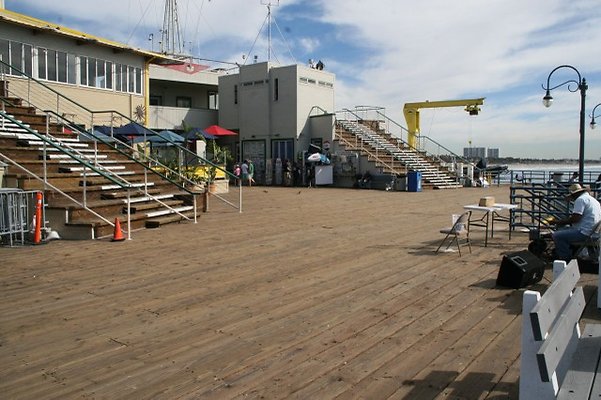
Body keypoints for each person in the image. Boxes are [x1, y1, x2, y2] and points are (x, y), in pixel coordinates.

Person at [552, 183, 601, 261]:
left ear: (575, 194)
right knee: (565, 230)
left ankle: (566, 258)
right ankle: (572, 253)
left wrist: (558, 222)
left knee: (557, 235)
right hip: (594, 233)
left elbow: (575, 219)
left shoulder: (580, 200)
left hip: (584, 233)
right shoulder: (593, 200)